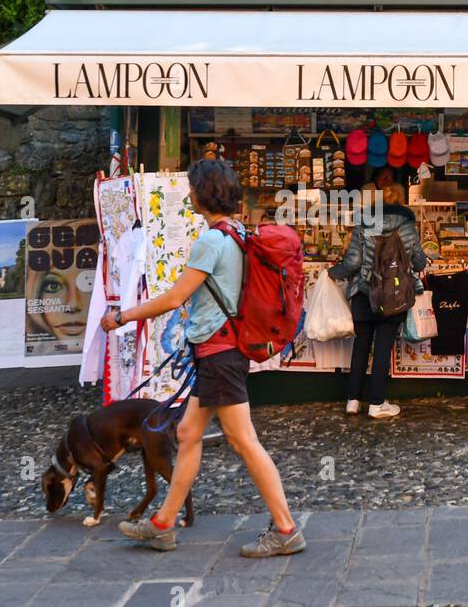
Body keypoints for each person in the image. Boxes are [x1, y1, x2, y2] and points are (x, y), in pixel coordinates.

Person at [101, 159, 304, 556]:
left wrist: (121, 317)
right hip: (219, 351)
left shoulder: (211, 241)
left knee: (243, 440)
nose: (189, 194)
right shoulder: (236, 232)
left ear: (203, 193)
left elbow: (175, 297)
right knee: (188, 433)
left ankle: (285, 529)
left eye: (193, 187)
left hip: (220, 354)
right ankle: (163, 524)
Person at [328, 183, 426, 418]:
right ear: (401, 201)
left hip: (365, 293)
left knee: (361, 346)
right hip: (394, 295)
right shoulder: (408, 226)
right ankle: (376, 403)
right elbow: (419, 261)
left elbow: (352, 262)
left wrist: (334, 272)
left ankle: (352, 400)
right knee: (383, 348)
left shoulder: (364, 223)